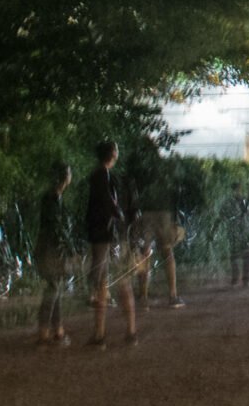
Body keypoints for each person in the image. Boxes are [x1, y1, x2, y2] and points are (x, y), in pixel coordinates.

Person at [86, 138, 140, 346]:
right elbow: (113, 205)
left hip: (103, 237)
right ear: (113, 154)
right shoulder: (109, 177)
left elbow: (104, 205)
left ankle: (100, 335)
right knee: (121, 282)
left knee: (102, 284)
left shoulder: (99, 176)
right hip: (112, 237)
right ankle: (130, 331)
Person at [130, 154, 186, 308]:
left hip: (146, 215)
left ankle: (143, 298)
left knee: (145, 253)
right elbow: (175, 193)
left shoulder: (140, 169)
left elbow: (135, 194)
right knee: (167, 253)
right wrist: (176, 218)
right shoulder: (165, 172)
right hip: (164, 214)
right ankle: (172, 296)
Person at [32, 161, 73, 346]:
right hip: (52, 248)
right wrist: (70, 247)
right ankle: (45, 332)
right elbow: (56, 227)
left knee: (55, 287)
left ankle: (57, 329)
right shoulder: (54, 199)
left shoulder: (51, 197)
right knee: (54, 288)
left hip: (46, 246)